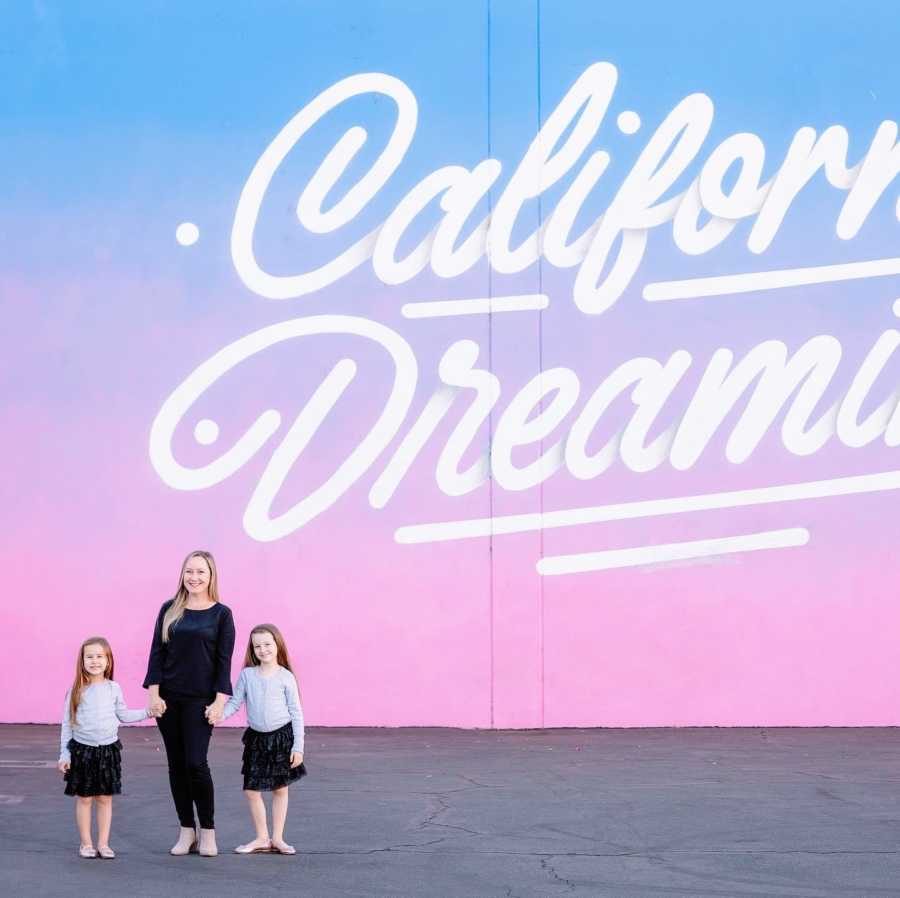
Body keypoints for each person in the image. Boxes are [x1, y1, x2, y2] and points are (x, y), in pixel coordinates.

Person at [144, 549, 235, 857]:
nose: (194, 577)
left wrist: (220, 702)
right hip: (169, 699)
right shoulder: (169, 608)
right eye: (189, 572)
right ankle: (187, 830)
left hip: (200, 701)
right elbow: (157, 652)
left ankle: (207, 831)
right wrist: (153, 693)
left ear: (211, 576)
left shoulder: (221, 614)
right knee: (176, 766)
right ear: (182, 575)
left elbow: (224, 662)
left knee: (196, 763)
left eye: (201, 572)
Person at [58, 636, 152, 858]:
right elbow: (67, 725)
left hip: (107, 751)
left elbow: (123, 714)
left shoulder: (114, 688)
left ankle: (103, 843)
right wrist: (65, 754)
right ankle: (86, 843)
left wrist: (148, 712)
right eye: (89, 657)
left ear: (108, 661)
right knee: (85, 798)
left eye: (99, 656)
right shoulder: (76, 691)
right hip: (83, 750)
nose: (95, 661)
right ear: (82, 661)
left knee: (104, 798)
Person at [219, 623, 306, 855]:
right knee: (251, 789)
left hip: (281, 738)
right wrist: (219, 715)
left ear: (277, 645)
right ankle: (261, 837)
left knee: (280, 788)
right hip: (257, 739)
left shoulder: (285, 677)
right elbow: (235, 703)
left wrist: (298, 747)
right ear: (252, 649)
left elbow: (297, 713)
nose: (263, 649)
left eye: (267, 644)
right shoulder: (247, 675)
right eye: (257, 646)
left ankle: (278, 838)